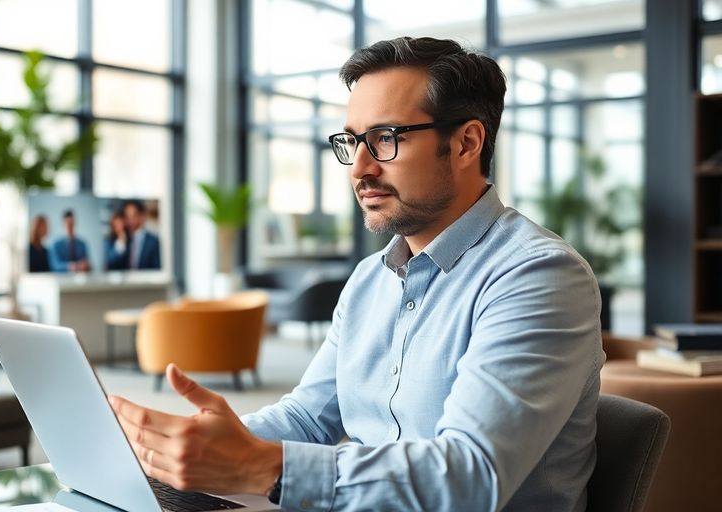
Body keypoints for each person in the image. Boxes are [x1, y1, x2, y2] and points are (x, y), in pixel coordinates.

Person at [108, 36, 604, 511]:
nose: (359, 167)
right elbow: (307, 418)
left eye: (385, 138)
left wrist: (260, 467)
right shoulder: (371, 279)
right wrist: (181, 446)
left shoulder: (540, 277)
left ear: (466, 143)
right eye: (352, 141)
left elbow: (470, 479)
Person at [122, 200, 161, 270]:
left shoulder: (153, 242)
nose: (129, 220)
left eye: (133, 216)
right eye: (127, 216)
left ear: (142, 216)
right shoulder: (123, 239)